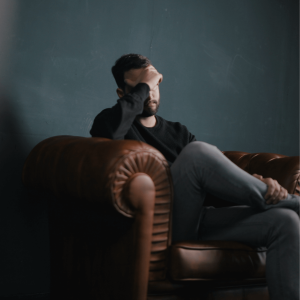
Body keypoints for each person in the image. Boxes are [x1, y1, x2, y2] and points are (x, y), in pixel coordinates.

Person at [90, 53, 299, 300]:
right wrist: (146, 84)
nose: (151, 93)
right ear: (122, 94)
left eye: (155, 84)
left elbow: (209, 186)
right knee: (197, 153)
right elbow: (107, 136)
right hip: (163, 227)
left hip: (198, 220)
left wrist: (254, 182)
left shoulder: (179, 132)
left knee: (286, 221)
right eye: (141, 86)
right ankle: (289, 201)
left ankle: (279, 202)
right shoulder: (111, 122)